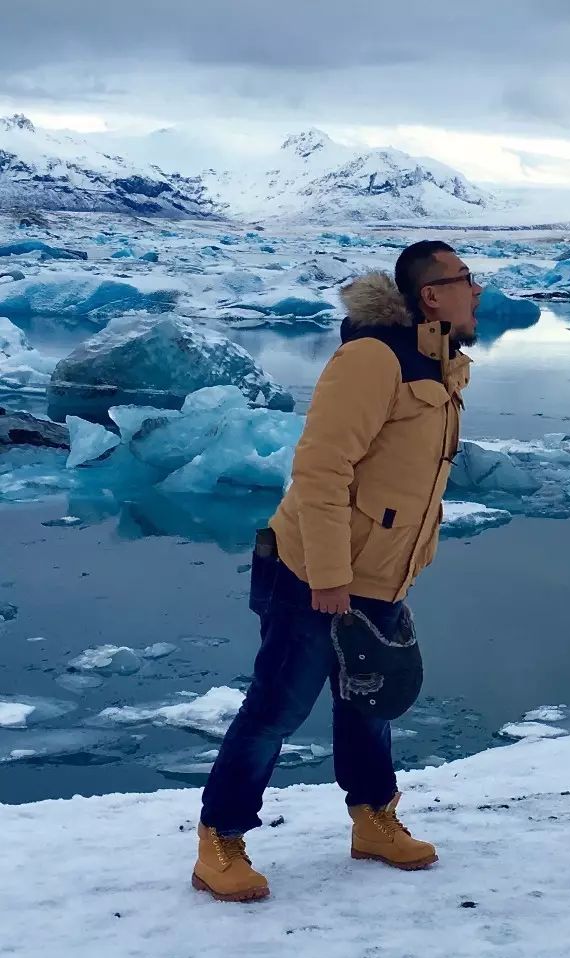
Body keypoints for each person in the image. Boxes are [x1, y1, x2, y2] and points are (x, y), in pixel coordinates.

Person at [191, 240, 479, 902]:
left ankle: (374, 819)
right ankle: (220, 840)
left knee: (369, 702)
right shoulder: (373, 360)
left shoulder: (438, 364)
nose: (477, 291)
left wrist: (406, 561)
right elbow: (321, 471)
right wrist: (328, 577)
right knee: (276, 709)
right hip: (313, 573)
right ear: (431, 295)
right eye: (466, 279)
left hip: (378, 573)